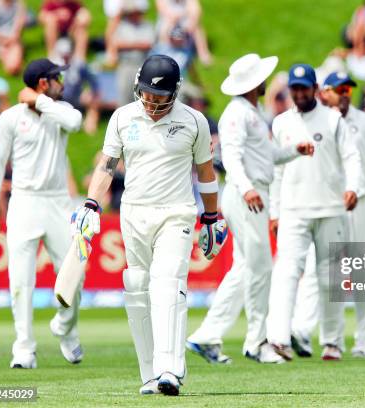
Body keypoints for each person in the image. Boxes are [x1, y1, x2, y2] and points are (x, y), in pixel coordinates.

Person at [73, 54, 222, 396]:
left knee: (167, 283)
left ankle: (170, 368)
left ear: (176, 91)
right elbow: (107, 165)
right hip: (134, 213)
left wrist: (211, 217)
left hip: (177, 213)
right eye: (148, 96)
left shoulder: (194, 121)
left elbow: (206, 173)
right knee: (137, 284)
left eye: (161, 97)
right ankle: (150, 375)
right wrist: (91, 203)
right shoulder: (124, 118)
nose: (153, 103)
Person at [186, 53, 314, 364]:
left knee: (245, 269)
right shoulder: (237, 114)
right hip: (247, 195)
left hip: (252, 192)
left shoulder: (251, 112)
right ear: (255, 82)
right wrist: (247, 189)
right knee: (260, 270)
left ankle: (207, 335)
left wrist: (294, 151)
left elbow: (268, 155)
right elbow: (231, 157)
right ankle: (257, 343)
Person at [0, 58, 84, 369]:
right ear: (44, 82)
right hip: (24, 202)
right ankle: (23, 349)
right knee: (20, 281)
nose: (62, 84)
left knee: (72, 276)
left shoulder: (60, 112)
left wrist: (38, 100)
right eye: (57, 79)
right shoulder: (11, 118)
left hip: (57, 202)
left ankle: (65, 328)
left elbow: (76, 122)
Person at [266, 63, 362, 361]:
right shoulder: (281, 123)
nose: (299, 93)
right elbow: (276, 169)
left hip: (331, 207)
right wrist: (274, 210)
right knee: (286, 272)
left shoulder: (333, 119)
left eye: (304, 88)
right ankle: (279, 338)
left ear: (315, 89)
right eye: (294, 89)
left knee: (330, 277)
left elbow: (352, 157)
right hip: (294, 208)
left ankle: (332, 341)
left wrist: (354, 187)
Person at [292, 71, 365, 358]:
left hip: (358, 203)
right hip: (323, 204)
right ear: (324, 92)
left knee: (361, 270)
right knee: (316, 269)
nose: (344, 94)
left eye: (348, 89)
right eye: (338, 89)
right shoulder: (311, 119)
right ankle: (304, 331)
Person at [0, 0, 27, 75]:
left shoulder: (19, 3)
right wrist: (2, 40)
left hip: (14, 39)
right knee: (11, 68)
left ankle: (16, 61)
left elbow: (20, 24)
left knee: (13, 66)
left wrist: (13, 38)